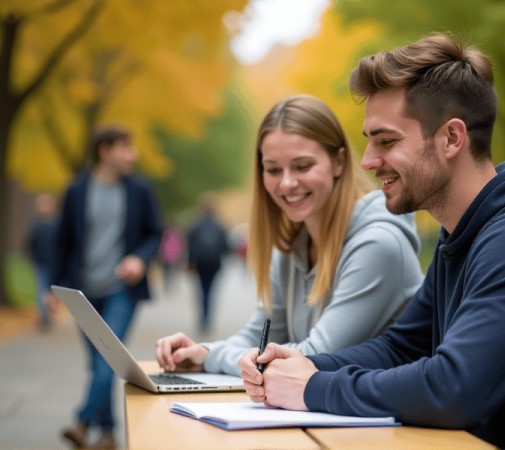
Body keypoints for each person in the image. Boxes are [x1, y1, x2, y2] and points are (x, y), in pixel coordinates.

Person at [239, 34, 505, 449]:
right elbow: (401, 347)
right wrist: (299, 365)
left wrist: (313, 387)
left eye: (387, 141)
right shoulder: (465, 231)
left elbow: (453, 390)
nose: (368, 161)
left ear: (451, 138)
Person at [155, 94, 424, 378]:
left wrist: (216, 358)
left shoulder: (379, 244)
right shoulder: (289, 246)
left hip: (387, 419)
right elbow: (259, 337)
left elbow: (315, 355)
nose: (286, 183)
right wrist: (202, 352)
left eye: (303, 166)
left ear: (338, 163)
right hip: (322, 413)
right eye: (273, 169)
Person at [46, 125, 162, 449]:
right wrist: (49, 290)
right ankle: (108, 434)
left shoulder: (140, 190)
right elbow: (62, 241)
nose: (132, 155)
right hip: (82, 291)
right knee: (99, 363)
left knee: (107, 360)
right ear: (104, 151)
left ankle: (82, 423)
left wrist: (139, 259)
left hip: (121, 290)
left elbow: (155, 232)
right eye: (125, 148)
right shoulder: (77, 190)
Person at [186, 193, 231, 331]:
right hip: (215, 264)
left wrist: (190, 263)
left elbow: (190, 246)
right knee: (211, 291)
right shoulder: (221, 226)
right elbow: (226, 248)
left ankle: (202, 318)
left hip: (200, 263)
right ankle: (207, 319)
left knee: (201, 291)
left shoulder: (195, 225)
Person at [26, 192, 58, 332]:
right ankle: (45, 314)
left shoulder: (49, 225)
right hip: (43, 263)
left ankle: (47, 313)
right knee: (44, 288)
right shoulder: (40, 225)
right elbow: (31, 244)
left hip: (49, 263)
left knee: (45, 288)